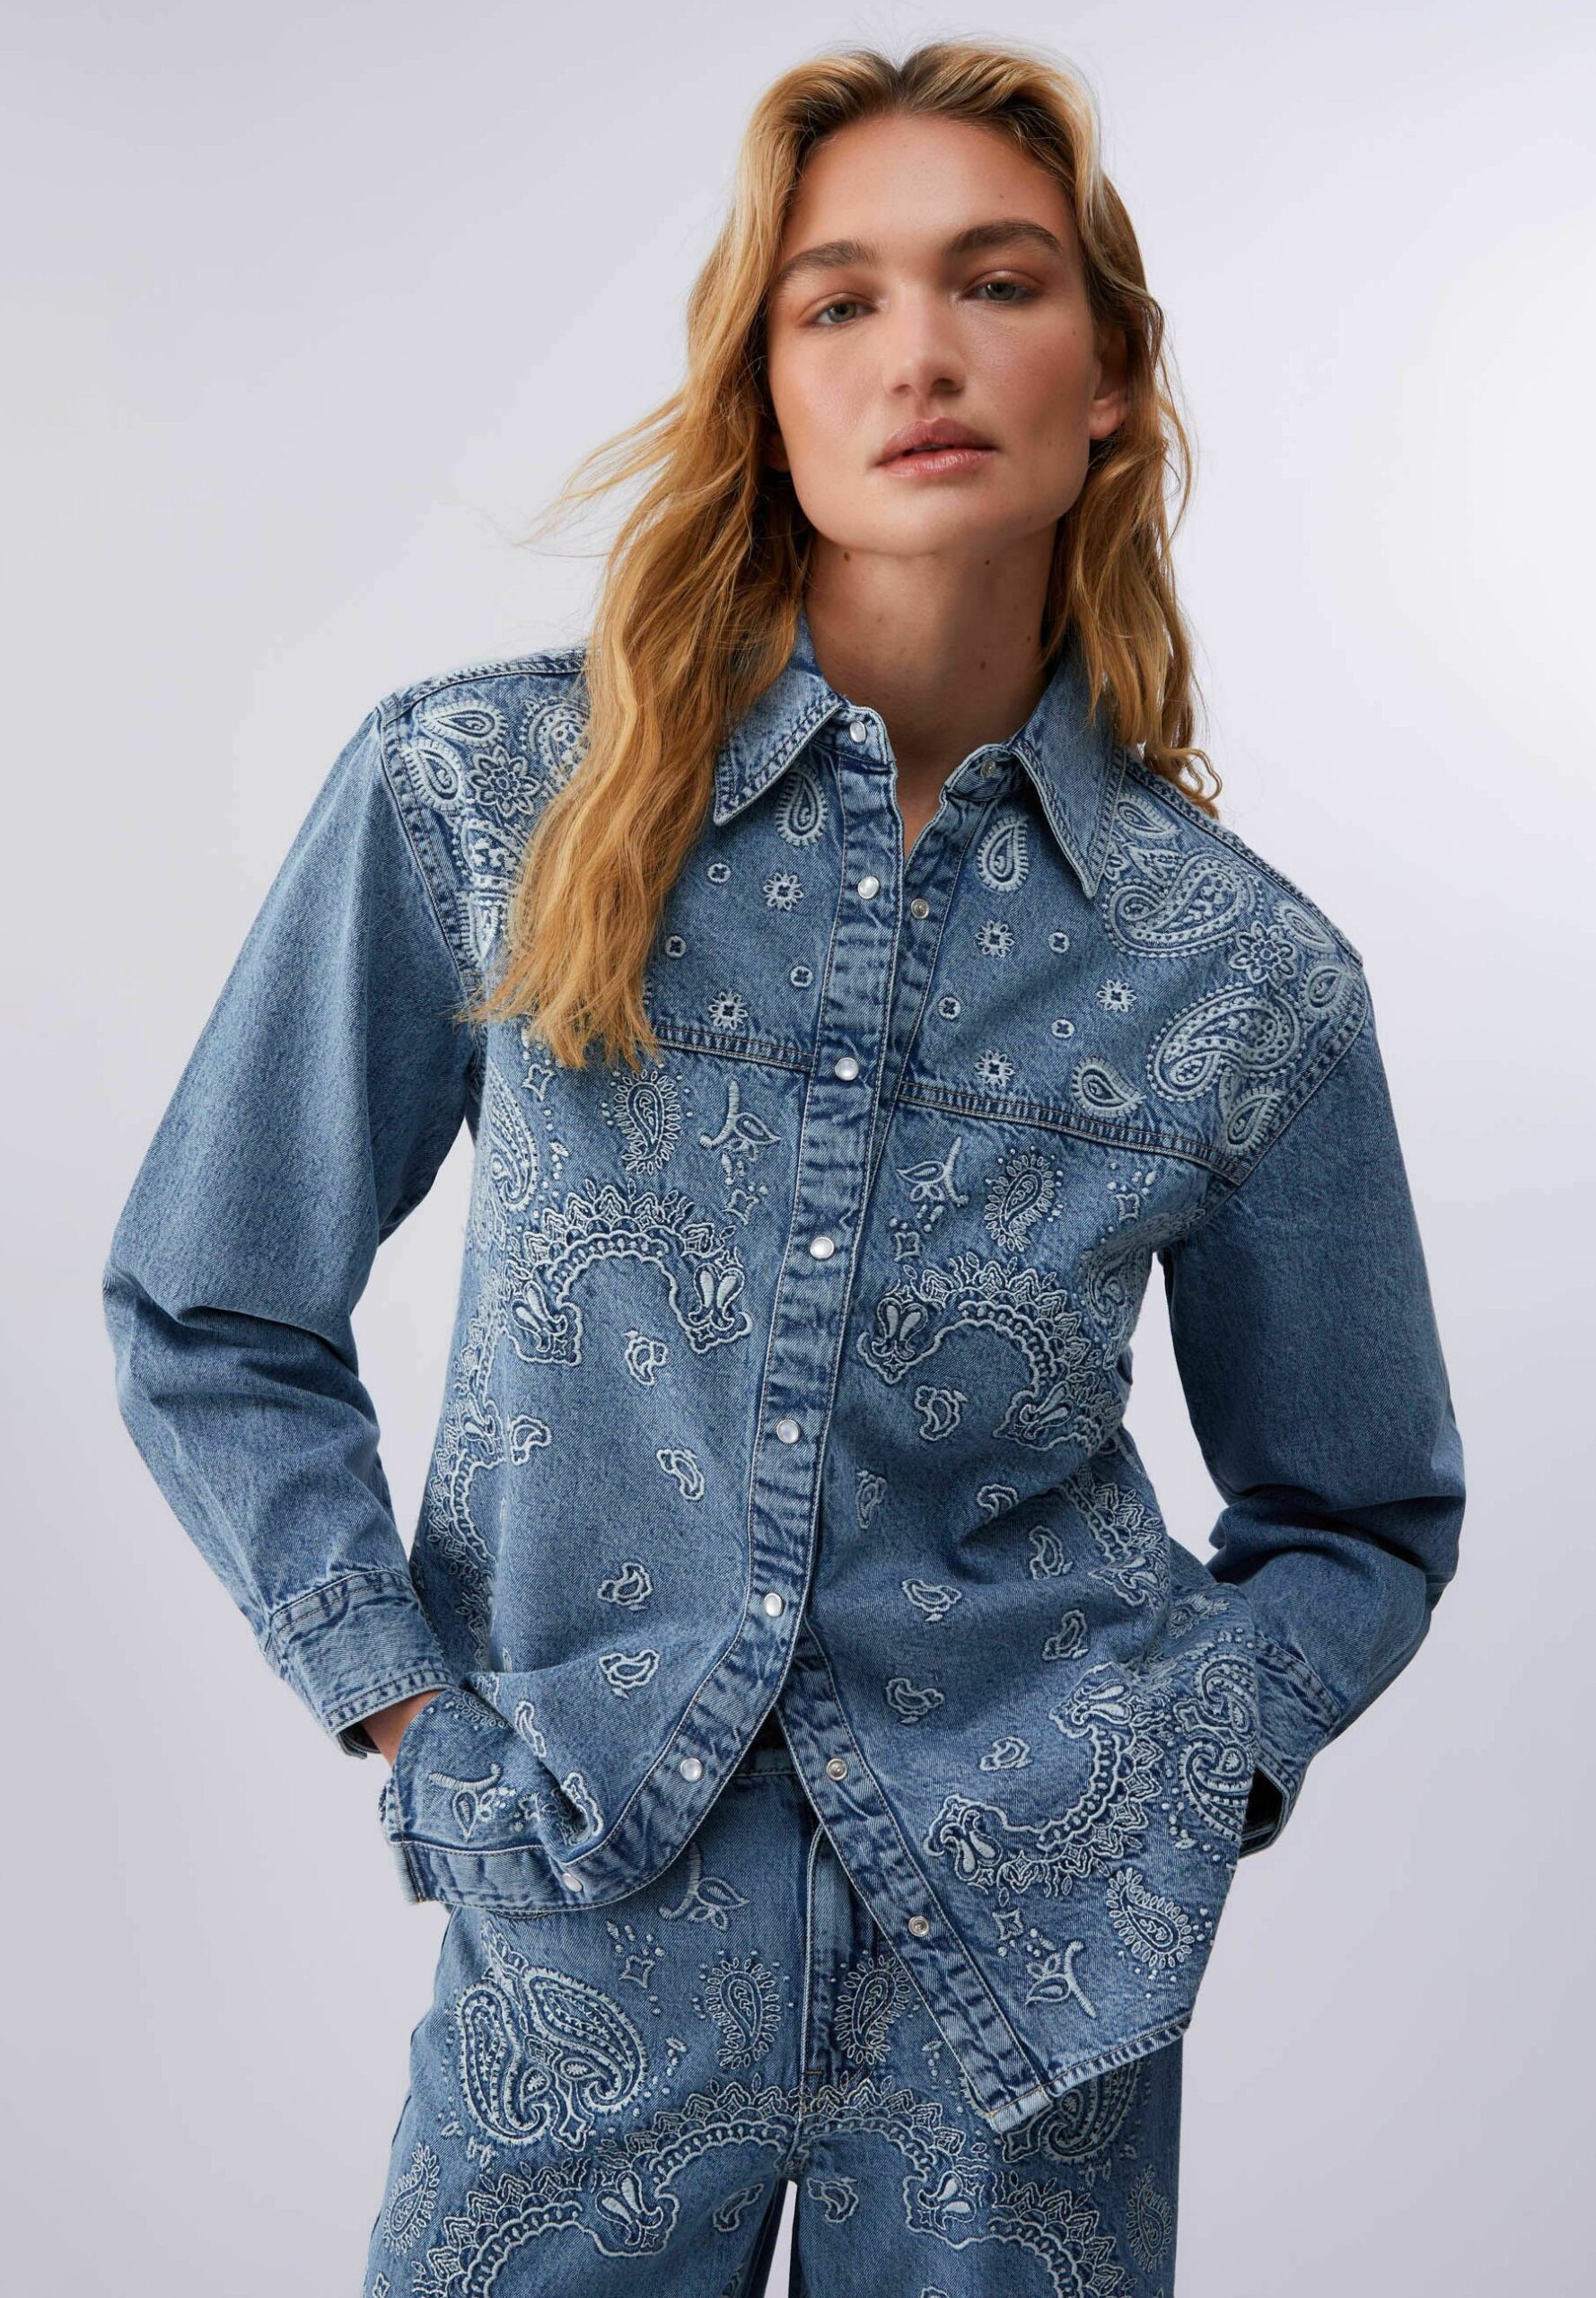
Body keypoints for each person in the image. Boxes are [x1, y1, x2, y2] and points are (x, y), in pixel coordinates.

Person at [101, 35, 1466, 2296]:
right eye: (838, 300)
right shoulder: (483, 797)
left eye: (996, 282)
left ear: (1111, 378)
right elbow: (209, 1300)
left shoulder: (1240, 970)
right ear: (762, 387)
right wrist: (412, 1711)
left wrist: (1171, 1776)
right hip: (587, 1922)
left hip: (1032, 1996)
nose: (920, 352)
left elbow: (1359, 1507)